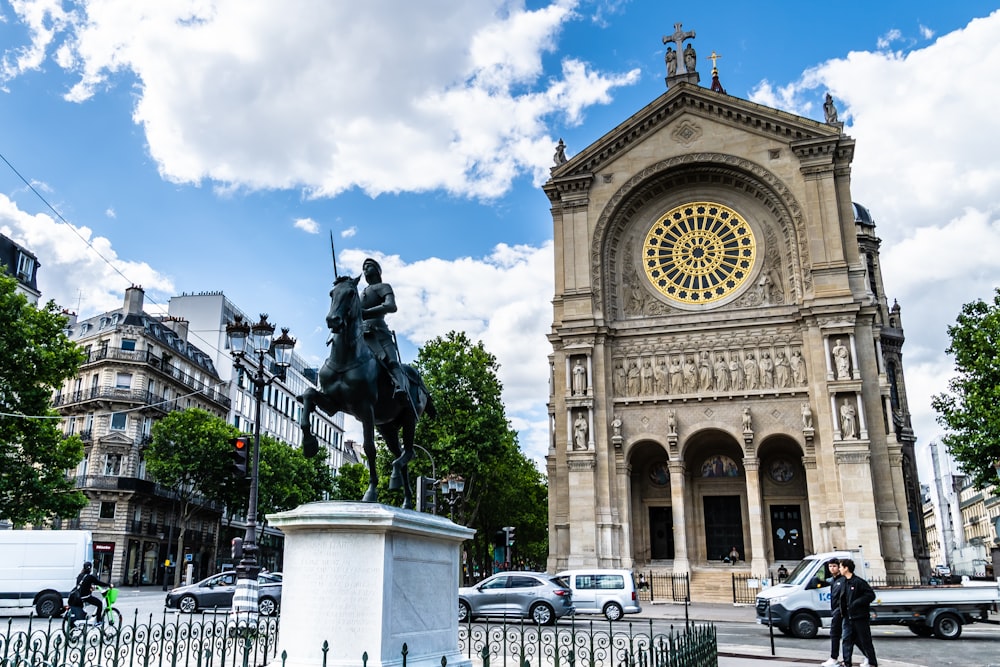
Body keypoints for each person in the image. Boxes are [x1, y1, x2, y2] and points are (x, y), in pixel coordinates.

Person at [360, 258, 411, 405]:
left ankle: (400, 387)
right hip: (360, 331)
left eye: (368, 266)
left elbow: (391, 306)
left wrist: (367, 313)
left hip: (379, 331)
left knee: (392, 361)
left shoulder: (383, 287)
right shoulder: (360, 293)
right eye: (363, 268)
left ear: (377, 270)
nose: (365, 270)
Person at [839, 558, 877, 667]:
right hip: (848, 616)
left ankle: (872, 662)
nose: (840, 569)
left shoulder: (858, 582)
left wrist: (857, 603)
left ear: (846, 568)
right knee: (847, 639)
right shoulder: (844, 582)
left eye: (841, 567)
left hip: (860, 617)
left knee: (865, 640)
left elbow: (870, 595)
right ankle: (847, 662)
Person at [820, 560, 846, 667]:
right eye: (830, 566)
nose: (832, 568)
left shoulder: (842, 580)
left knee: (838, 634)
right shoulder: (833, 580)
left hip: (840, 611)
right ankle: (835, 658)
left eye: (834, 566)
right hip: (836, 610)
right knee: (840, 635)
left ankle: (835, 658)